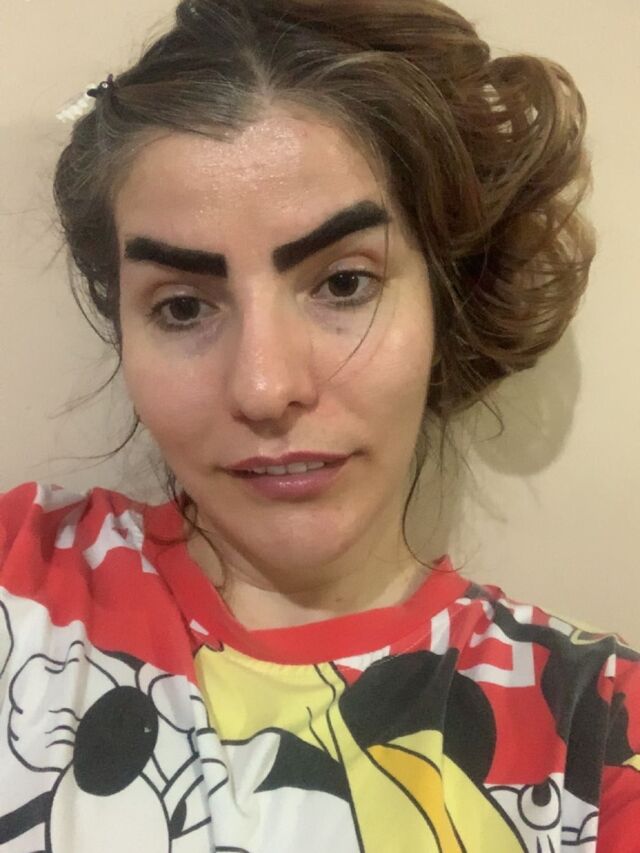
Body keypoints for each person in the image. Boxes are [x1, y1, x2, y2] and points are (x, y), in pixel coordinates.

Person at [0, 0, 638, 849]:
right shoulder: (18, 588)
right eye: (183, 306)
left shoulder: (597, 737)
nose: (265, 388)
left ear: (445, 299)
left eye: (343, 283)